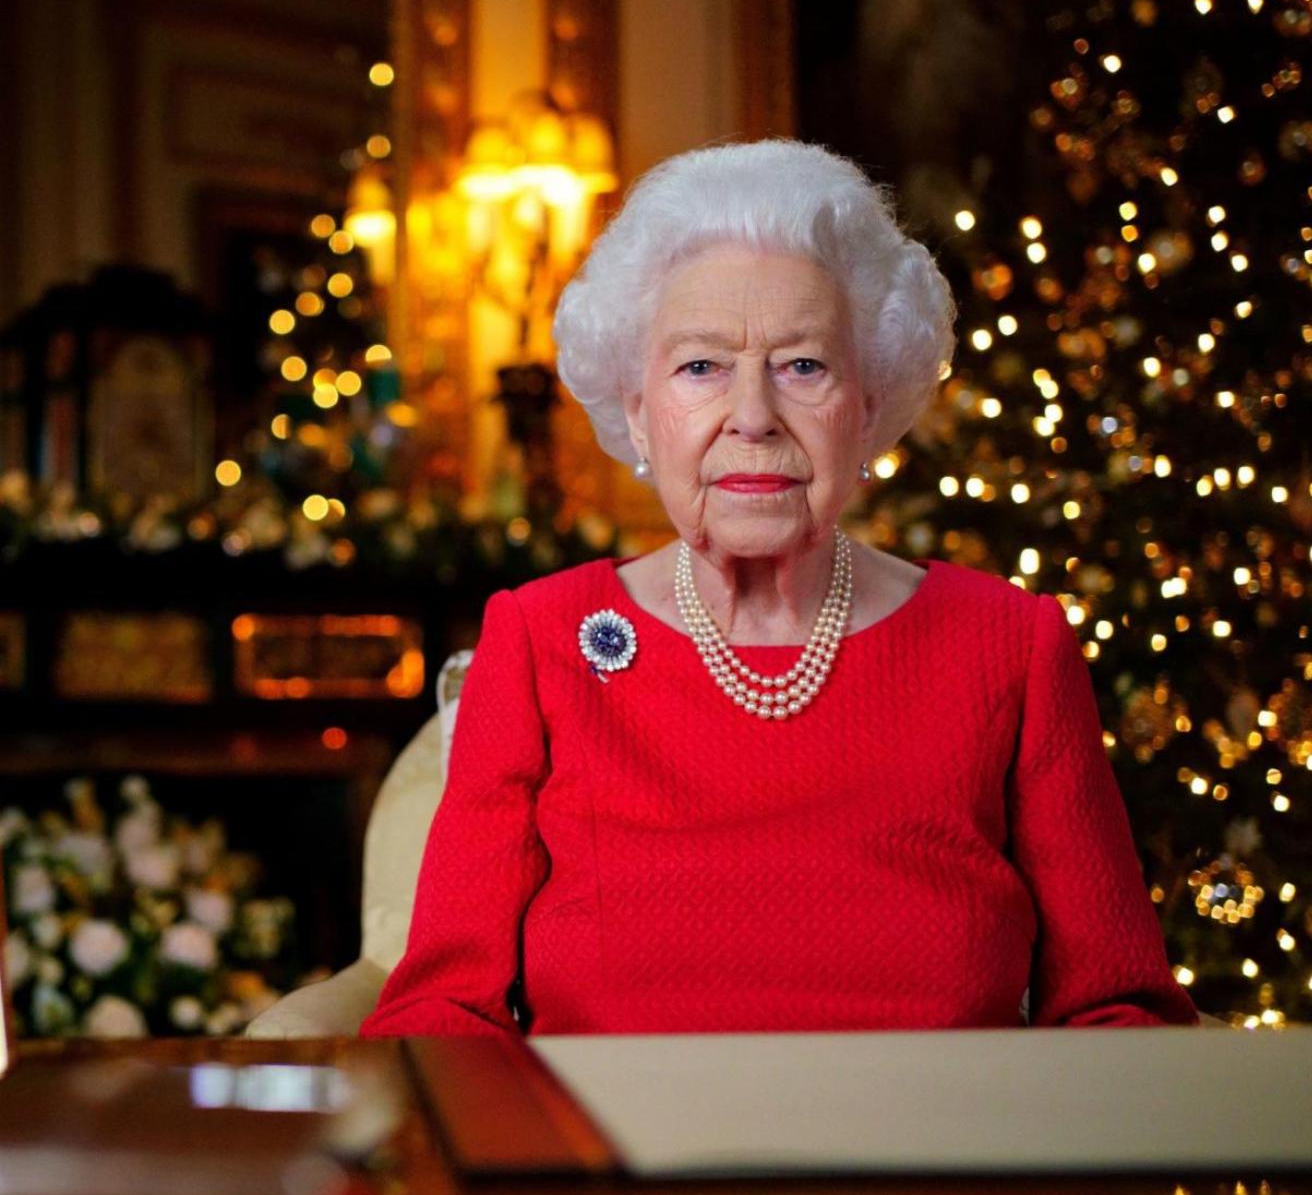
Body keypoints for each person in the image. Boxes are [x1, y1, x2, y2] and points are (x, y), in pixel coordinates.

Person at [363, 139, 1198, 1037]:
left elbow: (1118, 1010)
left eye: (803, 366)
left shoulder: (1006, 644)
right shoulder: (541, 639)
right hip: (613, 1168)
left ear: (869, 407)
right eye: (701, 367)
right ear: (639, 411)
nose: (754, 416)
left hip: (935, 1168)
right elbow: (442, 1013)